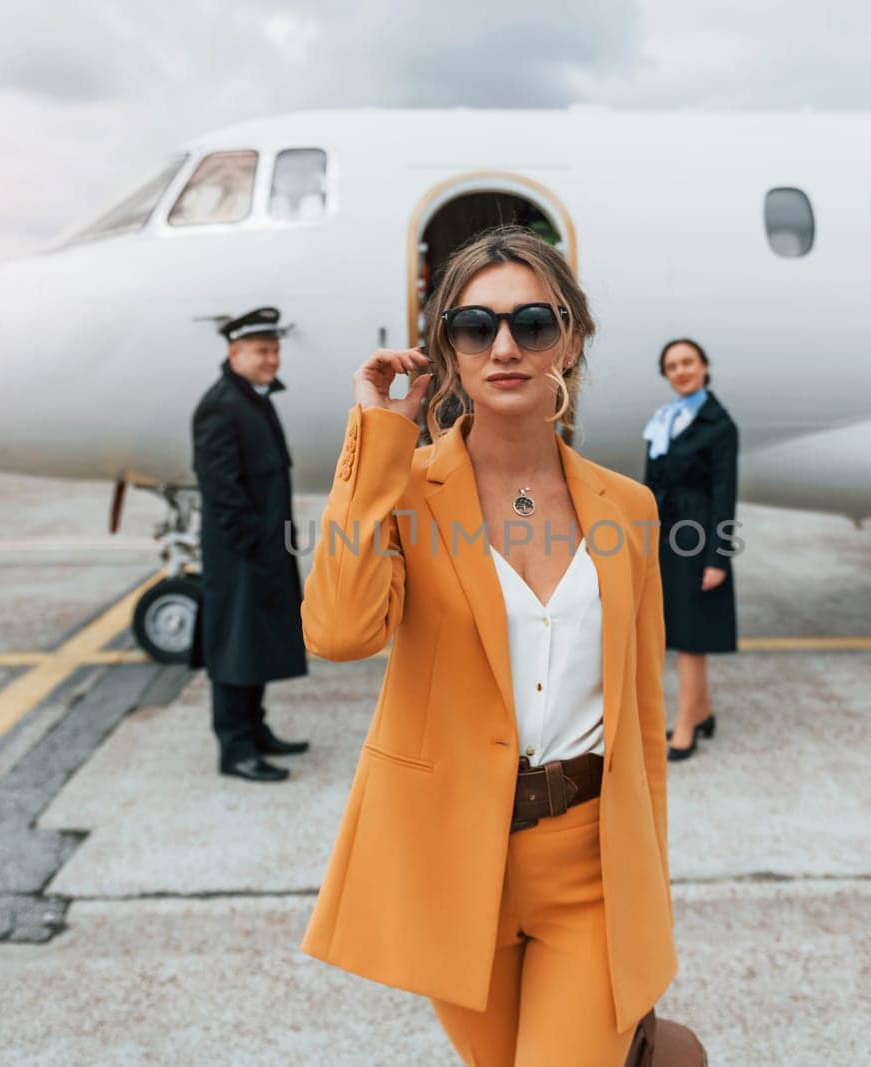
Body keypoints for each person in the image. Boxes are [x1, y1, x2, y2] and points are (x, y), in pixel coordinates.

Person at [300, 226, 676, 1064]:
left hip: (590, 868)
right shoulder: (406, 492)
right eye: (476, 327)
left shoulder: (630, 509)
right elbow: (338, 630)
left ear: (570, 342)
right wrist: (374, 441)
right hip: (450, 864)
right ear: (449, 351)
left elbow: (644, 720)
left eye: (533, 323)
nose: (505, 345)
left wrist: (649, 895)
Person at [190, 306, 310, 783]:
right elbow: (220, 489)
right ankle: (235, 748)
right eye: (262, 351)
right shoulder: (221, 404)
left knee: (255, 644)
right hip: (241, 555)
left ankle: (255, 730)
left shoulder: (253, 398)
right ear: (233, 353)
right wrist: (252, 546)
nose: (271, 360)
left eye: (275, 350)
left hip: (262, 549)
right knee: (235, 647)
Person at [642, 338, 739, 762]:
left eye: (687, 362)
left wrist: (718, 556)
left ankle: (685, 724)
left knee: (689, 636)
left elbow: (725, 493)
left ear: (704, 366)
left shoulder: (719, 424)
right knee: (678, 628)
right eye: (672, 366)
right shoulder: (665, 419)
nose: (680, 370)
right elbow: (651, 485)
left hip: (698, 536)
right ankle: (702, 711)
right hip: (667, 536)